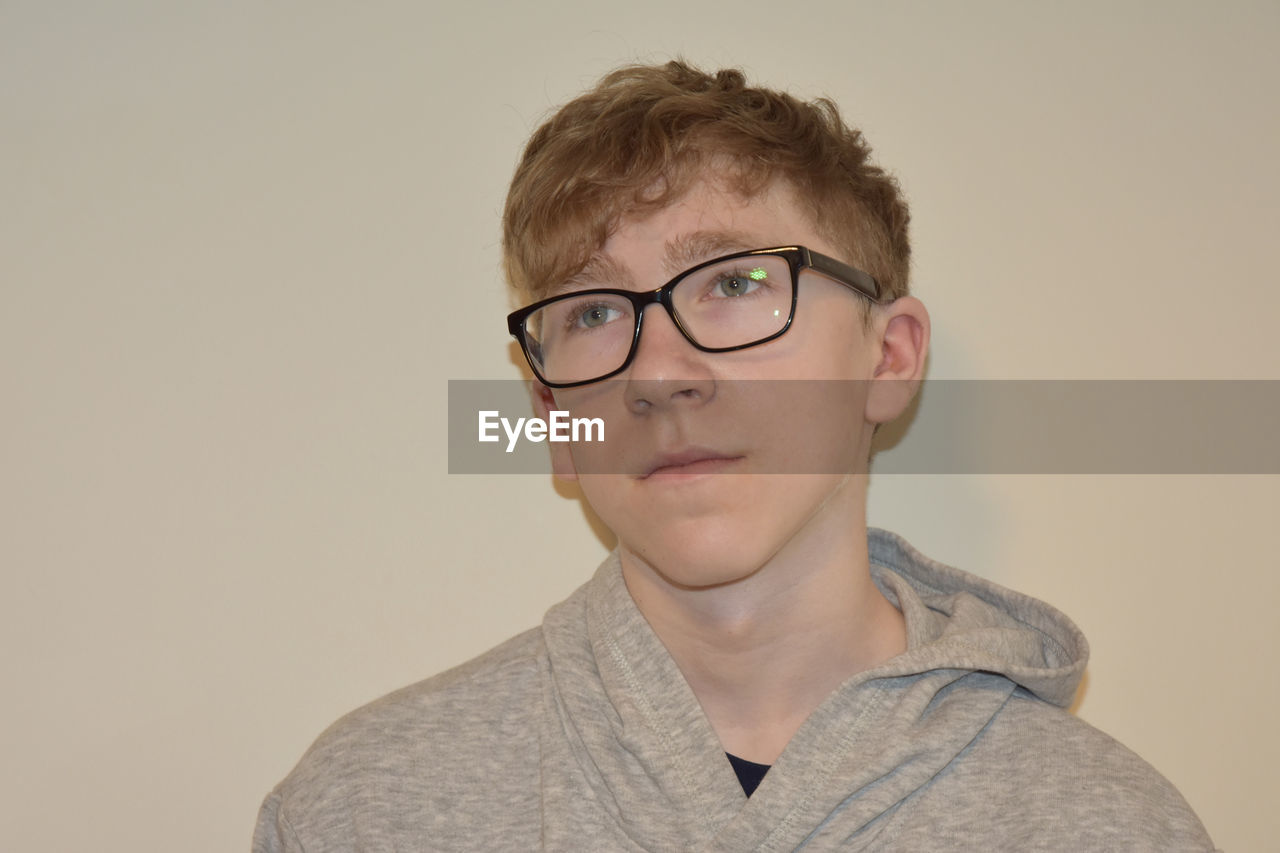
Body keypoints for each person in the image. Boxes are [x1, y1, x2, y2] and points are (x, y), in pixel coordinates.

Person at [253, 61, 1214, 851]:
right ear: (551, 411)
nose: (662, 375)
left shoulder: (1109, 826)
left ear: (887, 358)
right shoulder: (361, 814)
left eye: (738, 282)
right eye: (593, 311)